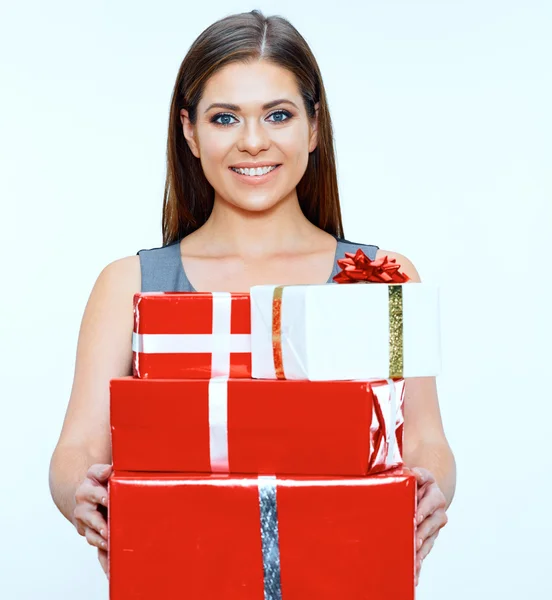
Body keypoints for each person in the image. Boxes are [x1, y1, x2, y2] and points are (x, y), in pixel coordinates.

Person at [48, 9, 456, 585]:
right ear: (189, 131)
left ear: (314, 129)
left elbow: (423, 438)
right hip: (180, 579)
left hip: (345, 576)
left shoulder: (382, 278)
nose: (254, 141)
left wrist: (428, 490)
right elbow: (78, 447)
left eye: (279, 115)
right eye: (225, 118)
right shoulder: (130, 285)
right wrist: (80, 493)